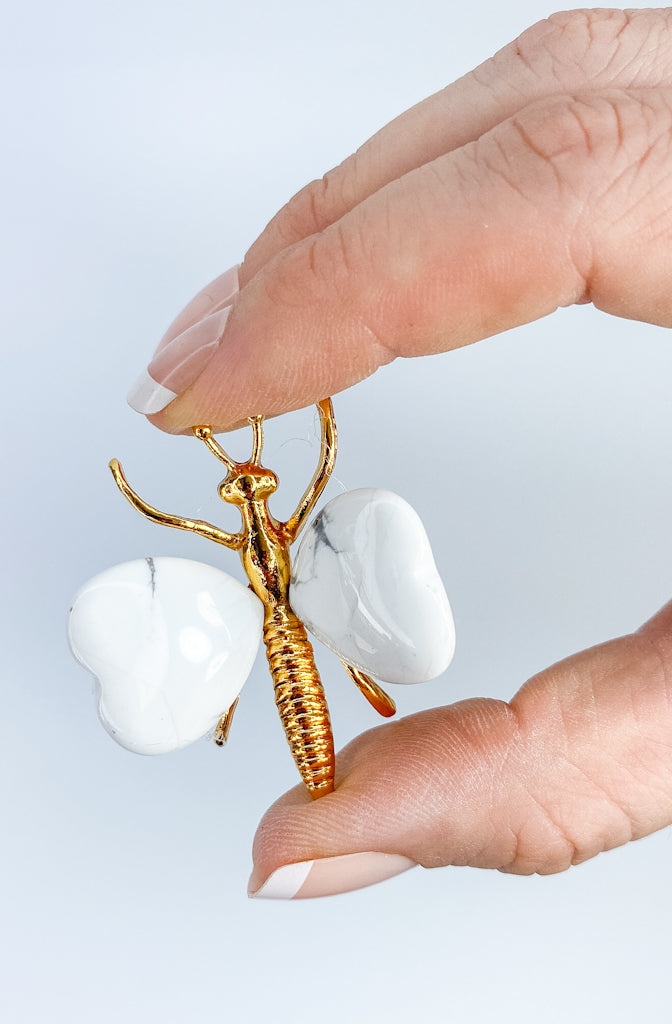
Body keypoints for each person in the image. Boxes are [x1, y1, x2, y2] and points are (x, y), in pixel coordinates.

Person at [127, 8, 672, 899]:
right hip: (282, 630)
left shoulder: (270, 532)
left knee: (308, 654)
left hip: (282, 632)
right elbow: (267, 494)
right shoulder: (282, 535)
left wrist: (320, 429)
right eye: (247, 486)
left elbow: (285, 487)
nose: (251, 491)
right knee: (306, 652)